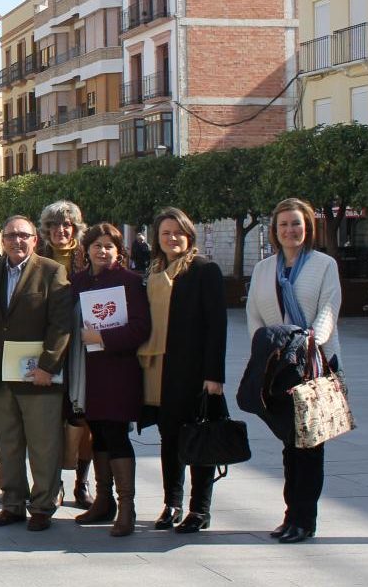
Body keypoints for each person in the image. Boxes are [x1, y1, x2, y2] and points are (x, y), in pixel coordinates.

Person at [246, 198, 342, 544]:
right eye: (284, 224)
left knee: (310, 446)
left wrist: (307, 343)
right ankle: (290, 515)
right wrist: (266, 351)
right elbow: (254, 315)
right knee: (290, 445)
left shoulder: (324, 265)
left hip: (315, 365)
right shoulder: (263, 269)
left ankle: (305, 519)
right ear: (275, 230)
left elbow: (329, 310)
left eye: (296, 223)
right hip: (279, 370)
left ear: (307, 227)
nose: (290, 230)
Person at [0, 215, 73, 532]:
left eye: (23, 235)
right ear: (2, 240)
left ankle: (43, 505)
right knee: (8, 445)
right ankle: (12, 504)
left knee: (44, 445)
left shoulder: (51, 271)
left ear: (34, 239)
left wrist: (48, 366)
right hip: (1, 376)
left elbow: (61, 324)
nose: (16, 241)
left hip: (39, 378)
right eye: (10, 236)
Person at [137, 207, 227, 534]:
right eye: (165, 233)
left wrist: (214, 376)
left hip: (192, 370)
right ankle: (172, 503)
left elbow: (217, 326)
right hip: (159, 369)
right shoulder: (155, 271)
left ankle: (199, 509)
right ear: (157, 238)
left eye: (178, 232)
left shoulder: (204, 270)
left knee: (198, 437)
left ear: (189, 235)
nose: (172, 238)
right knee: (169, 438)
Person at [70, 223, 151, 537]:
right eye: (97, 245)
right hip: (86, 373)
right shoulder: (77, 281)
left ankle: (127, 505)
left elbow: (141, 327)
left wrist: (103, 338)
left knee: (116, 435)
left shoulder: (130, 281)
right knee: (98, 435)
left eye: (109, 246)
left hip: (118, 371)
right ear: (86, 250)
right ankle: (103, 501)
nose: (102, 251)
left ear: (119, 251)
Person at [37, 199, 93, 510]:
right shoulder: (37, 259)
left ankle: (82, 481)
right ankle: (54, 481)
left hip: (84, 350)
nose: (61, 230)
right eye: (54, 225)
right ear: (46, 230)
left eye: (67, 225)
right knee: (51, 419)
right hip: (49, 349)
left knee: (83, 418)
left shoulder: (89, 259)